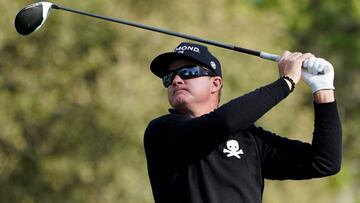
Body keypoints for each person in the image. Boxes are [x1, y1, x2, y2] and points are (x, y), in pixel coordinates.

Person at [144, 42, 342, 203]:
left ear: (215, 84)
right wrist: (286, 82)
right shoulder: (162, 130)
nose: (176, 80)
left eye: (188, 72)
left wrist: (323, 90)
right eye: (169, 77)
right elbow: (222, 123)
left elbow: (324, 162)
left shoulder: (250, 139)